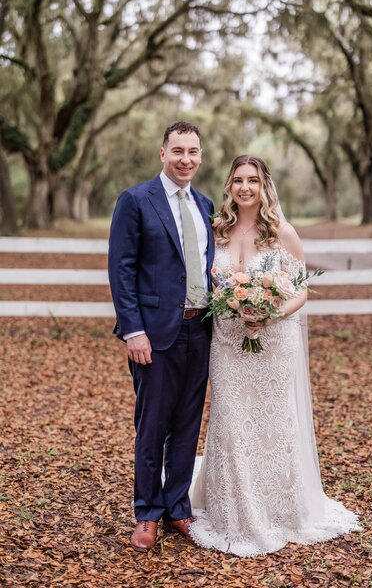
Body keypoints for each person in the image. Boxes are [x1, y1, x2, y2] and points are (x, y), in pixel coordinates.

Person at [189, 155, 360, 557]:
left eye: (252, 180)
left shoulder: (283, 233)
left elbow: (300, 291)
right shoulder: (216, 231)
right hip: (228, 343)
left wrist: (268, 315)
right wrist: (230, 304)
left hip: (274, 343)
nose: (245, 187)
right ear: (229, 186)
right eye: (237, 180)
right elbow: (204, 283)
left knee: (273, 425)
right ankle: (235, 513)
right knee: (231, 423)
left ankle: (279, 509)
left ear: (264, 185)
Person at [108, 121, 214, 552]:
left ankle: (177, 507)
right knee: (152, 427)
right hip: (153, 334)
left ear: (200, 156)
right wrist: (133, 330)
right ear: (162, 153)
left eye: (192, 151)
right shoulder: (136, 201)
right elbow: (122, 269)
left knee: (188, 426)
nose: (185, 159)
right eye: (177, 151)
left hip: (202, 329)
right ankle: (147, 513)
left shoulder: (206, 205)